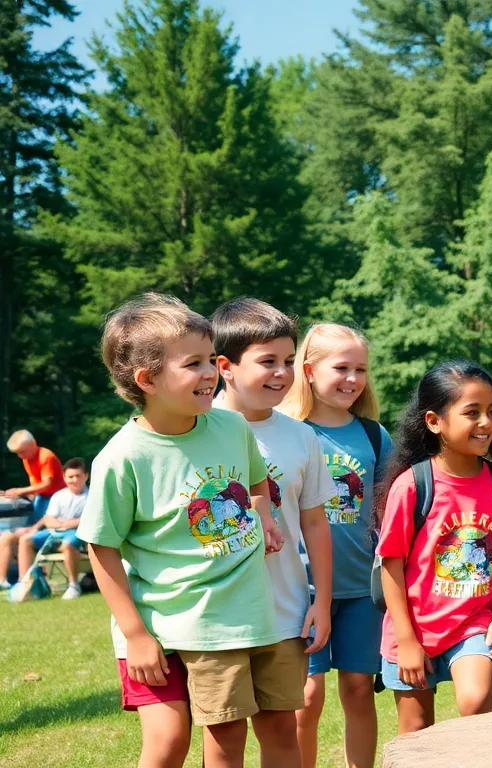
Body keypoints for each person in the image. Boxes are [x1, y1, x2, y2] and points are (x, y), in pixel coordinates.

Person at [77, 293, 285, 768]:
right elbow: (101, 548)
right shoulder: (122, 457)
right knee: (169, 741)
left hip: (233, 619)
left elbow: (255, 479)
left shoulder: (231, 427)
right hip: (156, 627)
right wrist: (135, 636)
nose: (211, 372)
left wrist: (265, 516)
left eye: (211, 359)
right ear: (147, 379)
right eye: (194, 363)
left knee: (227, 738)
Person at [212, 298, 337, 765]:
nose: (282, 373)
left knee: (284, 730)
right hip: (217, 616)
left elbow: (314, 523)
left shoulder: (301, 436)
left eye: (288, 361)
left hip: (283, 610)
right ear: (225, 366)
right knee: (224, 741)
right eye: (267, 362)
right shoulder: (198, 429)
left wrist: (320, 602)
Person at [374, 361, 492, 732]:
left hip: (473, 624)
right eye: (471, 413)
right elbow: (389, 566)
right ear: (434, 421)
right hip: (412, 629)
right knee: (416, 734)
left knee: (475, 706)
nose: (486, 423)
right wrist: (407, 640)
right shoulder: (412, 486)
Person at [279, 323, 392, 768]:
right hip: (299, 589)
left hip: (362, 588)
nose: (352, 379)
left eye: (360, 369)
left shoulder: (373, 436)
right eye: (341, 367)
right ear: (308, 370)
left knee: (361, 690)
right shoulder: (285, 431)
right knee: (306, 696)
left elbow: (388, 511)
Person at [0, 458, 90, 597]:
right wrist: (65, 523)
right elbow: (48, 519)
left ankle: (73, 585)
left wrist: (66, 523)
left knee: (68, 543)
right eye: (70, 477)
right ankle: (24, 582)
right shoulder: (59, 496)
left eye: (78, 476)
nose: (74, 480)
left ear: (86, 476)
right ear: (64, 478)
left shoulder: (91, 497)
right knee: (26, 540)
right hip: (53, 533)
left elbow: (87, 521)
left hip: (77, 535)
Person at [4, 429, 65, 522]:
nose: (20, 456)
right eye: (18, 453)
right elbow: (34, 480)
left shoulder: (45, 456)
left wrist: (19, 491)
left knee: (40, 527)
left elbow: (46, 484)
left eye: (23, 451)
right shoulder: (26, 458)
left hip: (57, 497)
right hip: (41, 496)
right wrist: (21, 494)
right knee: (32, 524)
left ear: (33, 443)